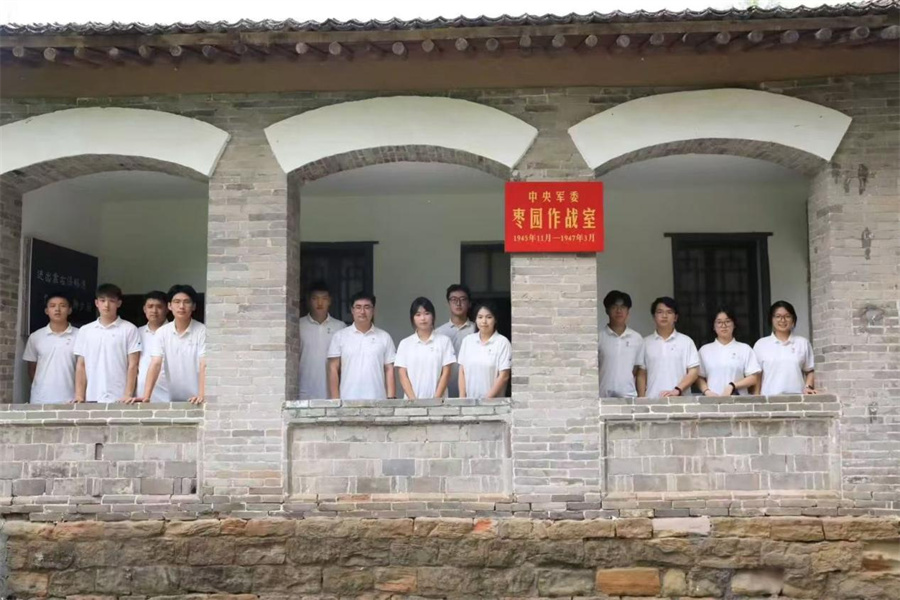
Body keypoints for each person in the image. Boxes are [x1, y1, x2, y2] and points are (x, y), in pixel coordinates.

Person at [136, 284, 206, 404]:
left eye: (186, 302)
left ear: (194, 306)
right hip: (172, 398)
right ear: (169, 306)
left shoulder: (202, 331)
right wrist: (146, 396)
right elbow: (155, 363)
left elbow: (204, 364)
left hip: (196, 399)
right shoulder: (162, 332)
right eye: (177, 302)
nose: (181, 306)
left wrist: (202, 395)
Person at [73, 283, 141, 403]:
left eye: (111, 301)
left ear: (119, 303)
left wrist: (128, 394)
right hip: (92, 396)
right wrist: (79, 396)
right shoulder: (85, 330)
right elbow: (81, 365)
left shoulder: (129, 329)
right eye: (102, 300)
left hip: (120, 398)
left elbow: (133, 365)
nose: (106, 305)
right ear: (96, 303)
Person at [327, 292, 396, 400]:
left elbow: (389, 369)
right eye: (358, 307)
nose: (362, 312)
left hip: (377, 400)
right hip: (347, 400)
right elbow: (333, 368)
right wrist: (335, 400)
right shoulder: (340, 336)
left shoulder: (384, 337)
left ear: (373, 310)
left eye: (367, 307)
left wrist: (391, 399)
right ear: (352, 310)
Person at [636, 297, 699, 398]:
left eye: (669, 312)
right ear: (654, 317)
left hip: (681, 401)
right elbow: (641, 374)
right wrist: (642, 399)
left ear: (675, 317)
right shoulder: (645, 343)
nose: (664, 316)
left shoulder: (686, 342)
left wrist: (677, 390)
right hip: (652, 401)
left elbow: (694, 372)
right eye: (660, 312)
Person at [23, 290, 79, 404]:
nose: (57, 309)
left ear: (69, 310)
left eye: (62, 306)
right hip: (40, 399)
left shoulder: (80, 335)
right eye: (52, 306)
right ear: (46, 311)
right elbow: (31, 369)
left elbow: (84, 368)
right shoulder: (36, 337)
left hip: (70, 399)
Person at [395, 297, 456, 399]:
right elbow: (402, 374)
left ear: (433, 316)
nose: (423, 318)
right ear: (412, 318)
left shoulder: (444, 341)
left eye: (427, 313)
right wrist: (414, 401)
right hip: (411, 403)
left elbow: (446, 373)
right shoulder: (405, 344)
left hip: (438, 402)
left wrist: (435, 400)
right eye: (418, 315)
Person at [753, 300, 816, 395]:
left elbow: (810, 370)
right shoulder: (761, 344)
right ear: (771, 319)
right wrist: (757, 397)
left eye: (787, 316)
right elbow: (757, 375)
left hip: (797, 398)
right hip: (769, 399)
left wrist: (808, 387)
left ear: (793, 320)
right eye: (778, 316)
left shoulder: (802, 343)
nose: (782, 320)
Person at [697, 307, 761, 397]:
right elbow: (698, 377)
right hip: (713, 401)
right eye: (719, 322)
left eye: (727, 321)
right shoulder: (705, 350)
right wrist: (707, 391)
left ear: (734, 324)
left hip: (739, 401)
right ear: (713, 326)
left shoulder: (745, 349)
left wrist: (733, 385)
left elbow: (753, 378)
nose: (724, 325)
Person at [299, 282, 346, 400]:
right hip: (303, 388)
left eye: (324, 299)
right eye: (315, 298)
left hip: (332, 392)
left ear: (329, 301)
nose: (320, 303)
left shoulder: (340, 327)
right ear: (309, 301)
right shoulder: (299, 325)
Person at [458, 301, 511, 399]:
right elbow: (462, 370)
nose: (484, 321)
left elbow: (504, 376)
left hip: (493, 403)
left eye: (489, 317)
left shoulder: (502, 342)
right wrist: (462, 398)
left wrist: (485, 400)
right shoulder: (467, 341)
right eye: (480, 317)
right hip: (469, 403)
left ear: (495, 320)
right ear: (475, 319)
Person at [598, 290, 644, 398]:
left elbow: (638, 370)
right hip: (602, 396)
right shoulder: (599, 337)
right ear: (607, 310)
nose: (619, 311)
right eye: (614, 307)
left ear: (628, 311)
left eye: (623, 307)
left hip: (629, 396)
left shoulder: (637, 338)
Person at [436, 284, 476, 397]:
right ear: (448, 303)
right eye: (454, 299)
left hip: (471, 388)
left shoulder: (477, 330)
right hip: (445, 389)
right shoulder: (439, 332)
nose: (458, 303)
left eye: (462, 299)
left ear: (469, 303)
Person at [136, 291, 171, 403]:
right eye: (150, 306)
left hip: (168, 397)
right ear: (144, 309)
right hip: (141, 396)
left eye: (159, 307)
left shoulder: (174, 332)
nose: (154, 311)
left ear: (167, 308)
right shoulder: (136, 333)